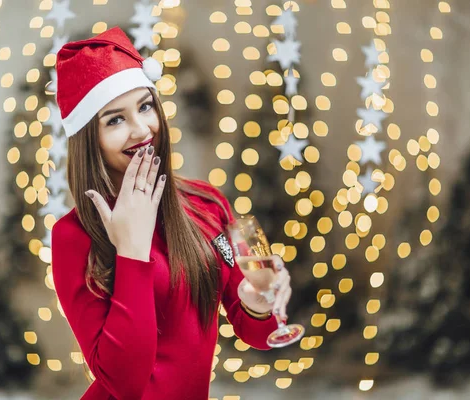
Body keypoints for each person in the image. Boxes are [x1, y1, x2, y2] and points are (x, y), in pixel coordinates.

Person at [50, 26, 293, 400]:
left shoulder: (207, 204)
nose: (141, 129)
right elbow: (124, 383)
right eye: (115, 120)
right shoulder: (73, 235)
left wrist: (258, 305)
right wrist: (131, 249)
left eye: (145, 107)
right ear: (88, 138)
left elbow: (254, 331)